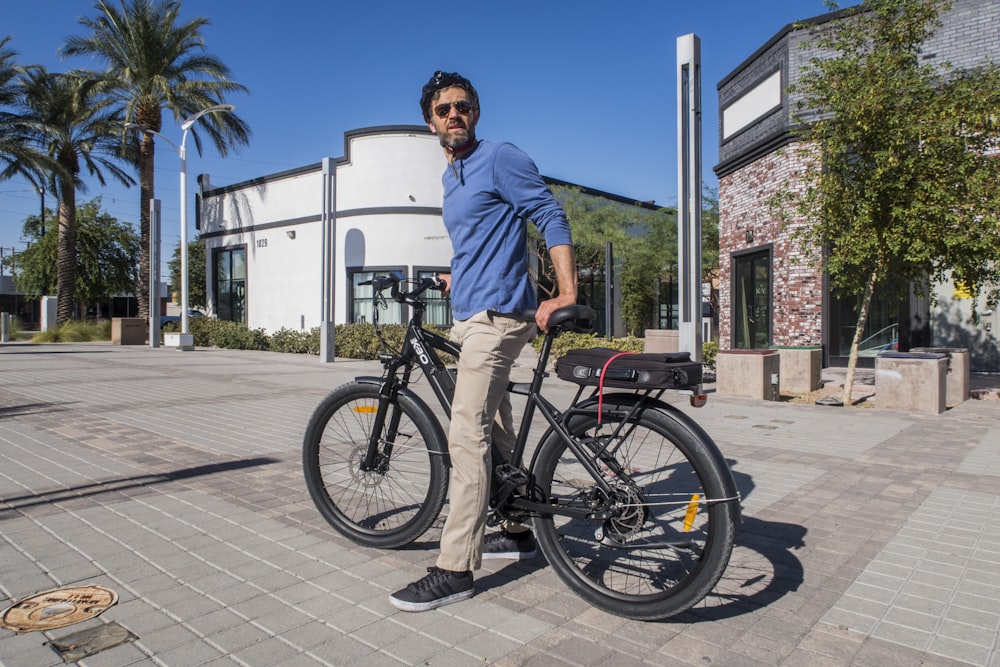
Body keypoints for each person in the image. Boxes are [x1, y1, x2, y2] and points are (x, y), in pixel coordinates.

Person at [389, 71, 578, 612]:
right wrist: (455, 277)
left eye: (463, 106)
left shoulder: (499, 156)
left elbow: (549, 214)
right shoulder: (453, 176)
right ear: (431, 122)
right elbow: (480, 240)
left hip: (499, 318)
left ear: (475, 113)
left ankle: (454, 569)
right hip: (470, 311)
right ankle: (517, 526)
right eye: (444, 108)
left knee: (464, 431)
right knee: (492, 422)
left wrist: (564, 292)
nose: (454, 114)